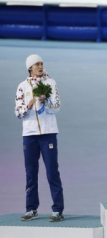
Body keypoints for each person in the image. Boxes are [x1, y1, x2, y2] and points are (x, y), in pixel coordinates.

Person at [15, 54, 64, 222]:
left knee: (52, 171)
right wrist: (29, 104)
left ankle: (57, 209)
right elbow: (18, 112)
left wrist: (45, 102)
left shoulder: (50, 83)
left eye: (41, 63)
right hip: (29, 135)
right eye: (37, 64)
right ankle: (31, 208)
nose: (40, 66)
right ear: (30, 67)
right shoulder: (22, 87)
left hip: (48, 133)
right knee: (31, 173)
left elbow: (56, 107)